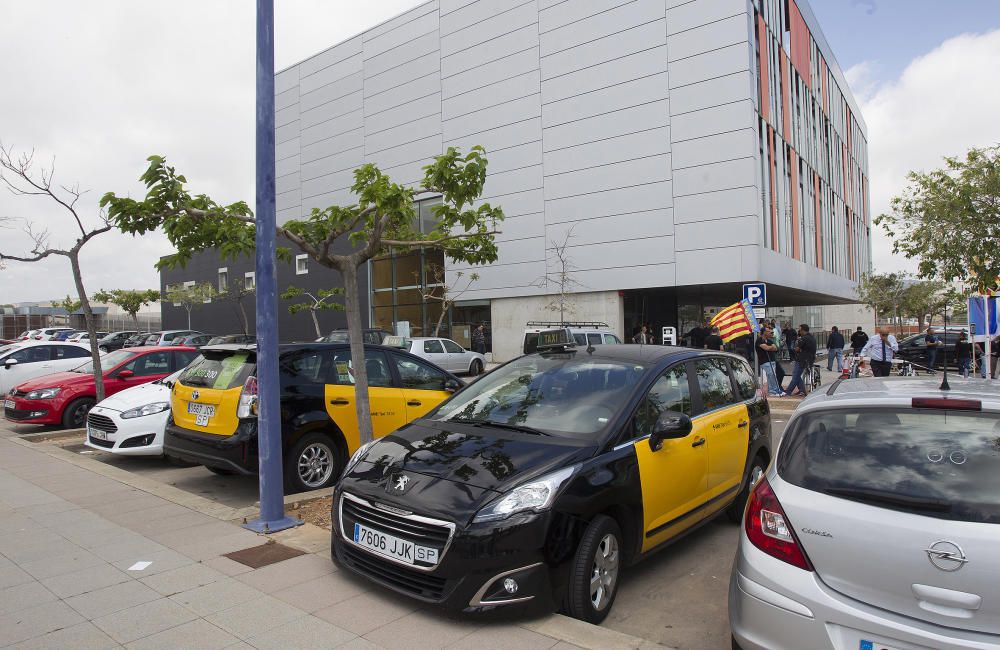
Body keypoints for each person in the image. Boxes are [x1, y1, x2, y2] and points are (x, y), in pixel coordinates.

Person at [784, 324, 816, 396]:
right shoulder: (812, 337)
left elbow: (797, 349)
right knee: (797, 375)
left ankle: (788, 391)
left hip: (802, 359)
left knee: (795, 375)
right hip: (810, 359)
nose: (799, 331)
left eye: (800, 329)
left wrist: (797, 349)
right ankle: (802, 390)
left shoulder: (803, 338)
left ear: (803, 330)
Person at [756, 325, 784, 396]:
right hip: (765, 361)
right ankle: (773, 391)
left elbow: (775, 348)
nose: (770, 333)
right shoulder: (759, 340)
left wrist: (769, 347)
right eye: (768, 331)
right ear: (764, 332)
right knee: (772, 375)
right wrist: (770, 347)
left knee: (772, 375)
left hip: (772, 360)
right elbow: (766, 348)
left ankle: (774, 390)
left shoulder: (769, 340)